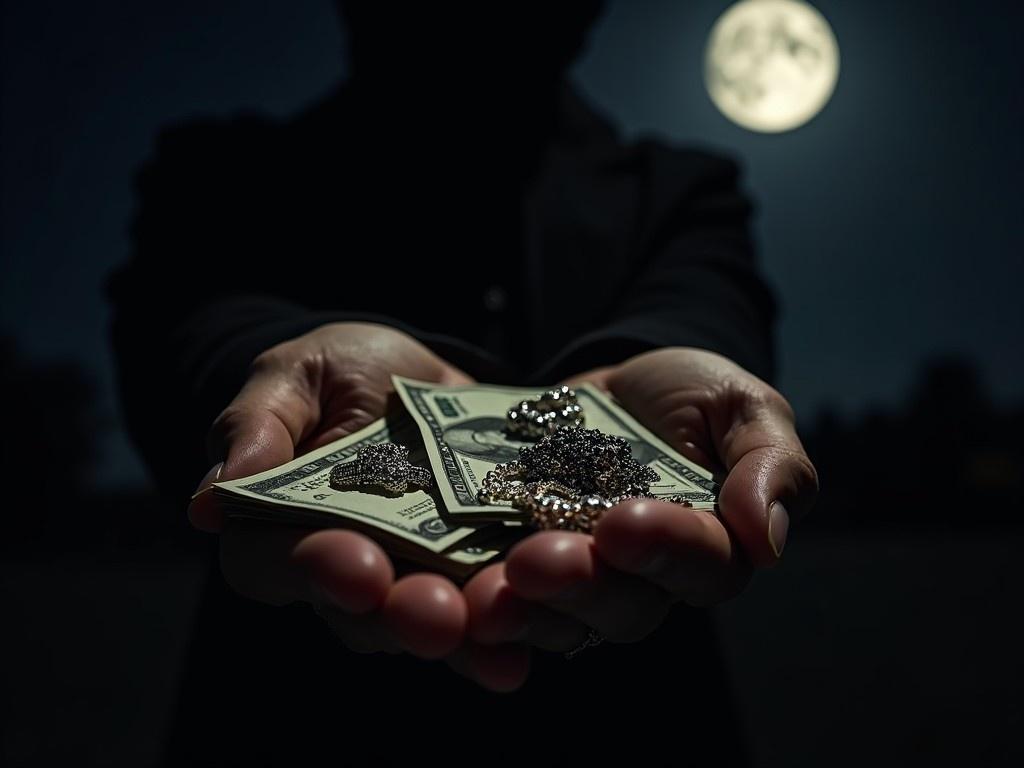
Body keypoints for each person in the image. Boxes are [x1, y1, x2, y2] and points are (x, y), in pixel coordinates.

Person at [107, 3, 818, 764]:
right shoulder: (221, 172)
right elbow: (185, 310)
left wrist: (667, 358)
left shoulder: (683, 188)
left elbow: (709, 300)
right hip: (296, 718)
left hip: (632, 723)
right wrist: (263, 367)